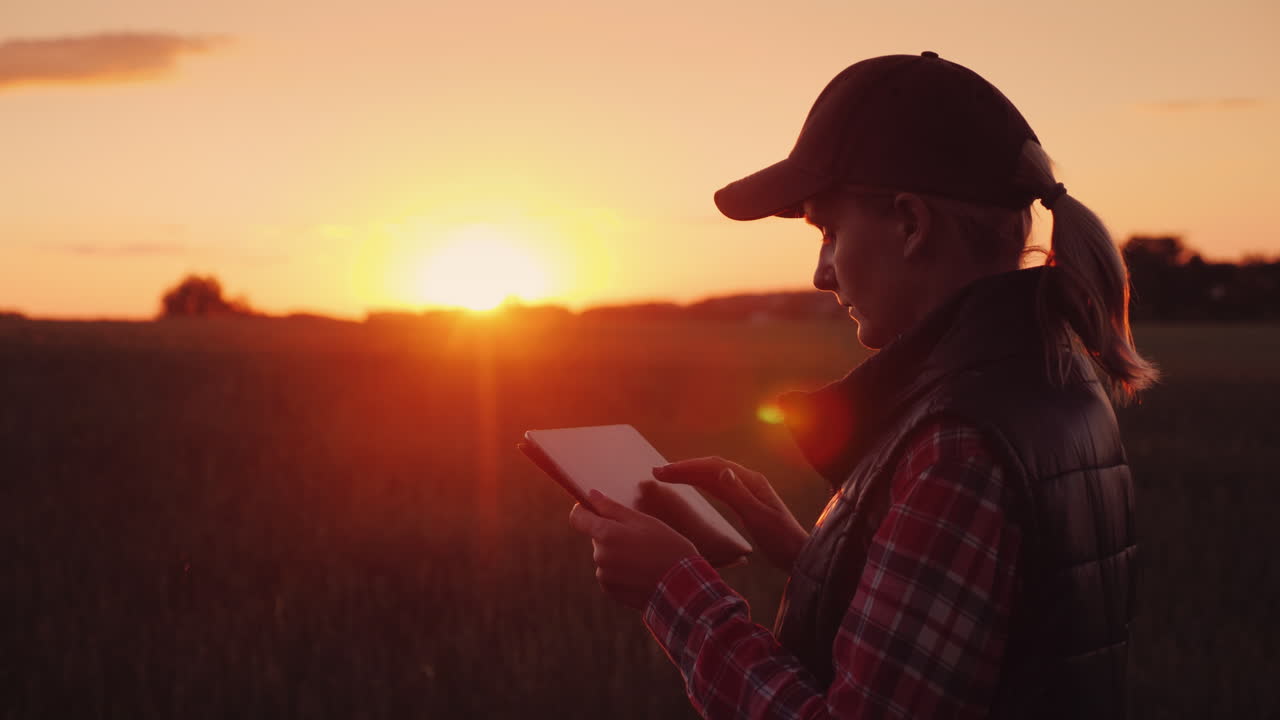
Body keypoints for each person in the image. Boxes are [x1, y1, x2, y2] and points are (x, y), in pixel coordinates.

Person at [568, 51, 1157, 719]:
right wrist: (807, 550)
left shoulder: (959, 445)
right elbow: (979, 637)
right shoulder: (1055, 378)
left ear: (911, 224)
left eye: (829, 232)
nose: (822, 273)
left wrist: (674, 591)